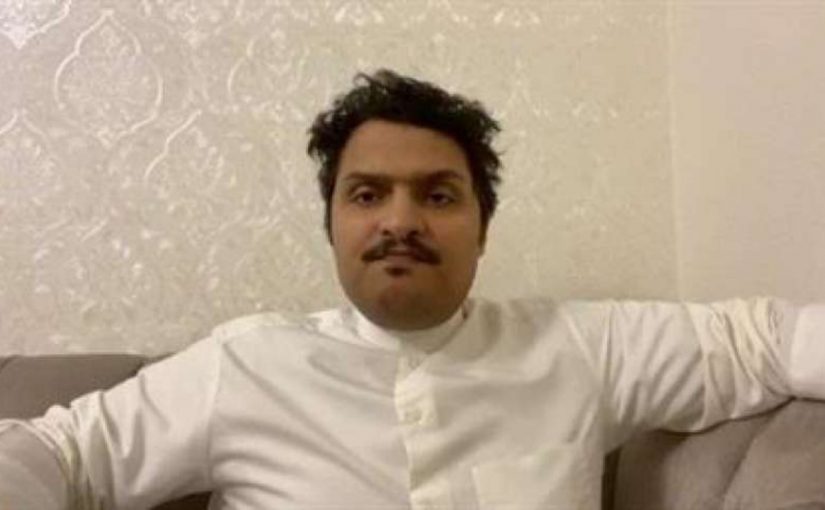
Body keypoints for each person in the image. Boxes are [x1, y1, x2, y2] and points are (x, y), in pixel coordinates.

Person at [0, 69, 823, 510]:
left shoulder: (579, 348)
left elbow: (761, 343)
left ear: (481, 228)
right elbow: (62, 455)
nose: (400, 221)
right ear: (332, 226)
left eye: (437, 195)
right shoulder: (244, 364)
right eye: (367, 194)